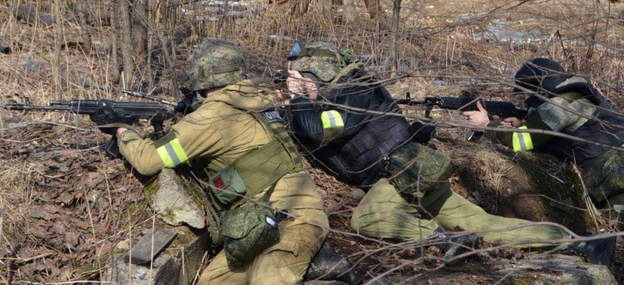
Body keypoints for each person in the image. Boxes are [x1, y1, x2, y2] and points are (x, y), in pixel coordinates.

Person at [279, 42, 616, 265]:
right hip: (412, 169)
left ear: (318, 74)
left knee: (367, 219)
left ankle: (444, 239)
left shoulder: (351, 93)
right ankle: (577, 242)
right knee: (485, 223)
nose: (302, 83)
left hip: (402, 171)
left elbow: (317, 129)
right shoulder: (348, 91)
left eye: (305, 77)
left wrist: (296, 98)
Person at [113, 39, 330, 284]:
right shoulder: (255, 96)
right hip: (259, 225)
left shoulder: (213, 116)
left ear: (201, 78)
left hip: (290, 222)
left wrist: (123, 133)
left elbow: (147, 160)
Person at [464, 57, 624, 214]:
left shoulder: (560, 105)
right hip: (615, 169)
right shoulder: (575, 95)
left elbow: (520, 142)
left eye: (527, 93)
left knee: (614, 232)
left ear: (540, 88)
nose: (525, 100)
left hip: (617, 173)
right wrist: (523, 125)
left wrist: (486, 124)